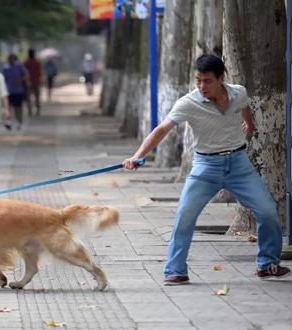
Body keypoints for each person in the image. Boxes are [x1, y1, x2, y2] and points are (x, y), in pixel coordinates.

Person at [122, 54, 290, 286]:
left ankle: (267, 264)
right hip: (206, 167)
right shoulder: (188, 103)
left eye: (207, 81)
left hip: (239, 165)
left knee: (268, 211)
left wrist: (249, 123)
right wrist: (137, 156)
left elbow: (244, 107)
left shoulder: (238, 92)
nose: (202, 86)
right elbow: (161, 130)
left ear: (222, 78)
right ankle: (175, 270)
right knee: (185, 215)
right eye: (198, 80)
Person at [3, 54, 27, 130]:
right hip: (8, 91)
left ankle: (19, 122)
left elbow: (26, 75)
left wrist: (19, 81)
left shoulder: (19, 66)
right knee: (7, 108)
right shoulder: (5, 68)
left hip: (18, 91)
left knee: (18, 108)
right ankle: (8, 122)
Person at [24, 48, 42, 116]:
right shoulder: (37, 62)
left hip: (28, 82)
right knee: (37, 97)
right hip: (36, 81)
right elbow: (40, 72)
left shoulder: (26, 63)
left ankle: (30, 111)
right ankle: (38, 111)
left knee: (28, 97)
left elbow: (24, 73)